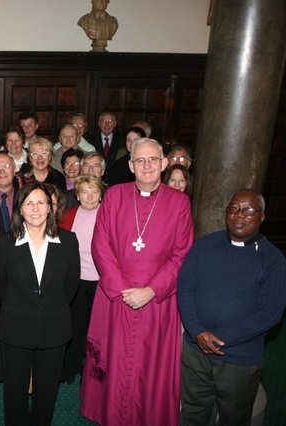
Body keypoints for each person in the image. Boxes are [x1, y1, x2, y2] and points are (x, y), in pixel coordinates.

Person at [79, 137, 194, 426]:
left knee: (150, 365)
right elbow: (100, 244)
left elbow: (182, 254)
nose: (147, 165)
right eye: (140, 160)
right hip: (117, 296)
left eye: (153, 159)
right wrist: (121, 288)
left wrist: (151, 291)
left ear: (164, 163)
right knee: (116, 359)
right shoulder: (115, 196)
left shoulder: (179, 202)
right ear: (130, 165)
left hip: (158, 301)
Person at [177, 189, 286, 426]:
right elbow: (185, 286)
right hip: (196, 349)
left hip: (238, 357)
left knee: (234, 417)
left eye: (248, 210)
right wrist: (196, 330)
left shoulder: (273, 260)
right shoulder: (205, 245)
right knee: (193, 411)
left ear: (262, 217)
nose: (239, 215)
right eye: (233, 208)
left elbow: (270, 313)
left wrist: (218, 339)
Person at [0, 182, 80, 426]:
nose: (35, 208)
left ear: (51, 208)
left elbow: (70, 286)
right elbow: (2, 285)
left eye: (41, 202)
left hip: (54, 327)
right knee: (15, 395)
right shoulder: (6, 243)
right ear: (20, 208)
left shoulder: (69, 242)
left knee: (47, 393)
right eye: (28, 203)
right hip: (15, 328)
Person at [58, 174, 103, 383]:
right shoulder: (68, 216)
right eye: (84, 192)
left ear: (100, 194)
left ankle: (95, 371)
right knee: (76, 326)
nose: (89, 196)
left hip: (102, 281)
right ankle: (72, 367)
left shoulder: (109, 215)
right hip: (76, 280)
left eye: (94, 191)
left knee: (98, 328)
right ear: (77, 195)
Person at [89, 111, 125, 183]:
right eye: (104, 121)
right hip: (94, 181)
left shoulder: (122, 141)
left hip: (115, 181)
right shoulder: (90, 141)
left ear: (115, 124)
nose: (107, 124)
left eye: (110, 121)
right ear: (99, 124)